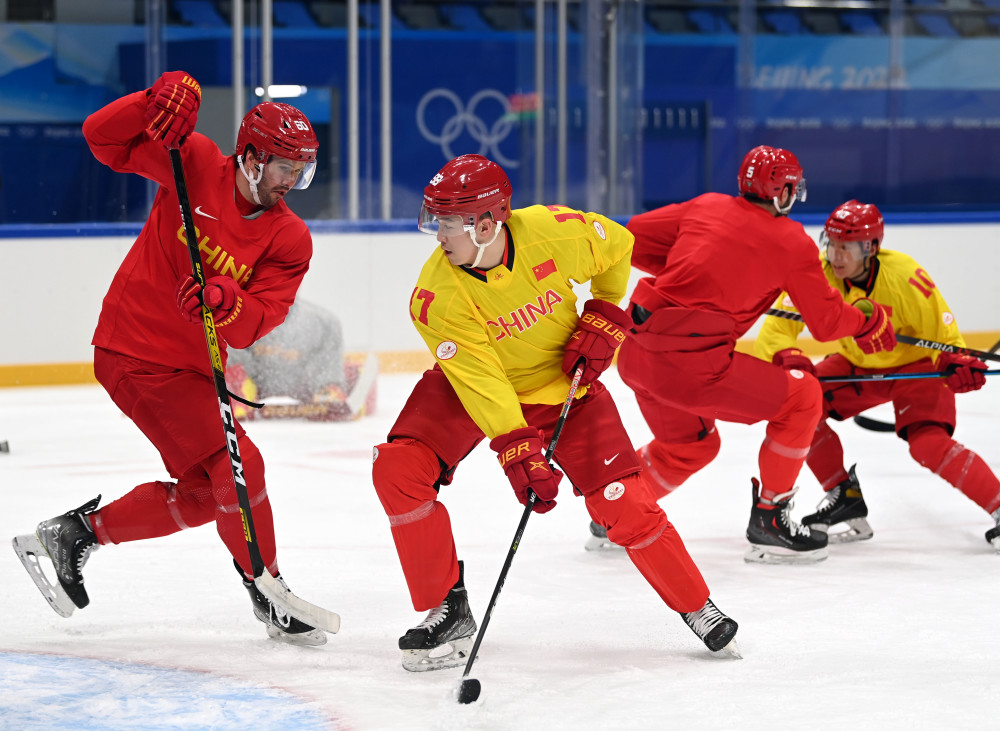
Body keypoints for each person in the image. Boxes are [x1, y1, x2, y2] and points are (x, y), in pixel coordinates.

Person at [372, 153, 740, 673]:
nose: (438, 235)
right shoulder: (435, 298)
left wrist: (607, 313)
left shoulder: (552, 231)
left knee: (624, 503)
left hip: (566, 386)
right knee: (397, 468)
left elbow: (621, 248)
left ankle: (696, 606)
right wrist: (517, 450)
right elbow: (483, 384)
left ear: (486, 222)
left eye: (448, 223)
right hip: (472, 390)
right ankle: (446, 610)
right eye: (436, 221)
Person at [11, 71, 329, 644]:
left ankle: (75, 535)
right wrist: (152, 101)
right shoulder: (197, 160)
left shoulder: (290, 239)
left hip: (190, 368)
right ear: (252, 158)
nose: (293, 182)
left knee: (213, 491)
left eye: (302, 170)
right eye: (286, 167)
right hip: (133, 349)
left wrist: (226, 299)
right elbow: (101, 140)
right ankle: (267, 587)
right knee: (241, 468)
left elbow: (260, 319)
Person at [605, 145, 898, 565]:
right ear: (782, 191)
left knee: (690, 447)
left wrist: (690, 272)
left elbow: (630, 236)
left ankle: (614, 513)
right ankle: (770, 519)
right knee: (803, 397)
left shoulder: (706, 206)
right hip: (692, 364)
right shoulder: (790, 241)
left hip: (636, 353)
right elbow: (828, 323)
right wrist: (868, 322)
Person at [754, 200, 999, 551]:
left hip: (916, 368)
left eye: (846, 247)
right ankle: (844, 495)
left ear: (870, 247)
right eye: (831, 243)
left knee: (929, 444)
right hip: (856, 366)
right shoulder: (817, 273)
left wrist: (956, 361)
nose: (836, 256)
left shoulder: (904, 275)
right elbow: (778, 329)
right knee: (797, 410)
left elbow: (943, 334)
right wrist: (788, 355)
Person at [226, 298, 379, 422]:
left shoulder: (321, 321)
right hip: (255, 380)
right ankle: (239, 386)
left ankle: (326, 387)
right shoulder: (237, 317)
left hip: (305, 384)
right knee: (221, 324)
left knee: (329, 323)